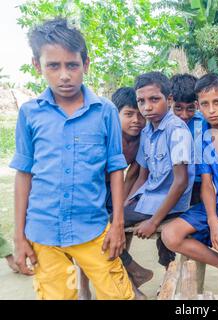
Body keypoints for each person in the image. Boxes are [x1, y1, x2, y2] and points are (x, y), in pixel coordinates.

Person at [10, 18, 134, 300]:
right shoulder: (30, 114)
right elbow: (24, 174)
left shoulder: (105, 111)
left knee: (117, 294)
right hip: (43, 230)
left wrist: (117, 225)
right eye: (53, 66)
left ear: (86, 65)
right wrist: (19, 236)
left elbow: (116, 169)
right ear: (38, 66)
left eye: (72, 65)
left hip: (92, 228)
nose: (64, 75)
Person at [162, 73, 218, 293]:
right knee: (170, 235)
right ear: (198, 106)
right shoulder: (202, 137)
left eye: (217, 102)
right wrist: (213, 220)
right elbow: (206, 183)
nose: (211, 109)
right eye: (205, 104)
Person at [78, 87, 151, 300]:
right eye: (128, 114)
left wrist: (124, 202)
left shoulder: (141, 140)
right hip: (92, 190)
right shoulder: (106, 135)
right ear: (115, 114)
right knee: (91, 238)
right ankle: (84, 289)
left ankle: (129, 284)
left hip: (116, 189)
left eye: (140, 114)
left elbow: (132, 174)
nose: (136, 120)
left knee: (120, 231)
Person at [123, 72, 195, 272]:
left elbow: (180, 182)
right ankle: (136, 273)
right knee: (115, 216)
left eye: (154, 99)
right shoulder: (147, 131)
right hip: (149, 198)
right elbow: (143, 176)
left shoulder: (177, 131)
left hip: (171, 203)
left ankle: (137, 273)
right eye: (141, 101)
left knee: (108, 225)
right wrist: (128, 200)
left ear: (169, 99)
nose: (147, 107)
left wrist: (153, 222)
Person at [170, 74, 204, 205]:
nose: (184, 115)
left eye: (190, 108)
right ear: (169, 101)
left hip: (199, 184)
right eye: (178, 108)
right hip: (172, 183)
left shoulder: (204, 123)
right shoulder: (164, 124)